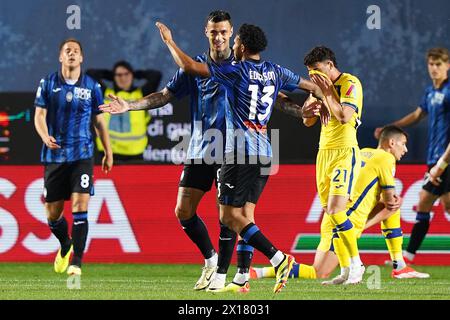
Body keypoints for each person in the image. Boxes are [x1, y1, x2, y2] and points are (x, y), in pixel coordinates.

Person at [100, 11, 313, 293]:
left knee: (232, 216)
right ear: (206, 32)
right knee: (183, 210)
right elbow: (164, 95)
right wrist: (130, 105)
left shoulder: (245, 67)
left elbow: (278, 101)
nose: (220, 37)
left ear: (232, 33)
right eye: (214, 32)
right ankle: (212, 260)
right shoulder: (198, 66)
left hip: (236, 149)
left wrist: (301, 113)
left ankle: (229, 277)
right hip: (204, 146)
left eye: (224, 32)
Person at [154, 20, 327, 293]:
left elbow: (189, 67)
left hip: (240, 151)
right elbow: (313, 88)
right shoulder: (276, 71)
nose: (230, 44)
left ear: (242, 46)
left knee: (229, 216)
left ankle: (278, 258)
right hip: (266, 153)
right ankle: (241, 277)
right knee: (246, 214)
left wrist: (169, 41)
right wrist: (315, 106)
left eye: (233, 41)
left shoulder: (235, 71)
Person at [250, 126, 430, 281]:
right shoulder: (386, 158)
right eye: (403, 144)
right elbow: (390, 199)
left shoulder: (362, 152)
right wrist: (388, 202)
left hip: (336, 215)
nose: (405, 149)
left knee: (391, 207)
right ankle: (259, 272)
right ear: (391, 143)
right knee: (318, 272)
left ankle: (399, 265)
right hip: (344, 221)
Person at [34, 38, 113, 276]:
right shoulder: (47, 83)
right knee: (53, 214)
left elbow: (99, 121)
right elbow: (39, 114)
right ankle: (66, 244)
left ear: (81, 58)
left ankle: (77, 262)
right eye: (67, 51)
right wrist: (45, 136)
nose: (71, 54)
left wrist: (108, 151)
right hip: (55, 155)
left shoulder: (92, 86)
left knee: (80, 206)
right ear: (60, 57)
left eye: (76, 51)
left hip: (82, 155)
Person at [374, 47, 450, 263]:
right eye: (431, 64)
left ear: (448, 66)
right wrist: (391, 127)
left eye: (439, 64)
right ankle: (407, 256)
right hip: (434, 157)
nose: (434, 68)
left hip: (444, 158)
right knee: (448, 205)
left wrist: (441, 164)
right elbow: (417, 115)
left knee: (424, 199)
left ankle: (406, 257)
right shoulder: (430, 92)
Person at [302, 46, 365, 284]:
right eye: (310, 74)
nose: (313, 78)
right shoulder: (319, 87)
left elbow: (344, 116)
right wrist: (309, 109)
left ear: (329, 65)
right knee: (331, 213)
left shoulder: (350, 83)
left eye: (316, 71)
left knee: (337, 209)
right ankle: (347, 269)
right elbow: (307, 121)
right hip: (323, 153)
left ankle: (356, 263)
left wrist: (327, 92)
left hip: (344, 152)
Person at [87, 61, 162, 161]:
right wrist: (111, 75)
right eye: (119, 75)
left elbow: (156, 76)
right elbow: (90, 74)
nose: (123, 78)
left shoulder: (141, 94)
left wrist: (135, 74)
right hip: (107, 151)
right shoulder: (105, 93)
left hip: (135, 152)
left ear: (132, 75)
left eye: (126, 74)